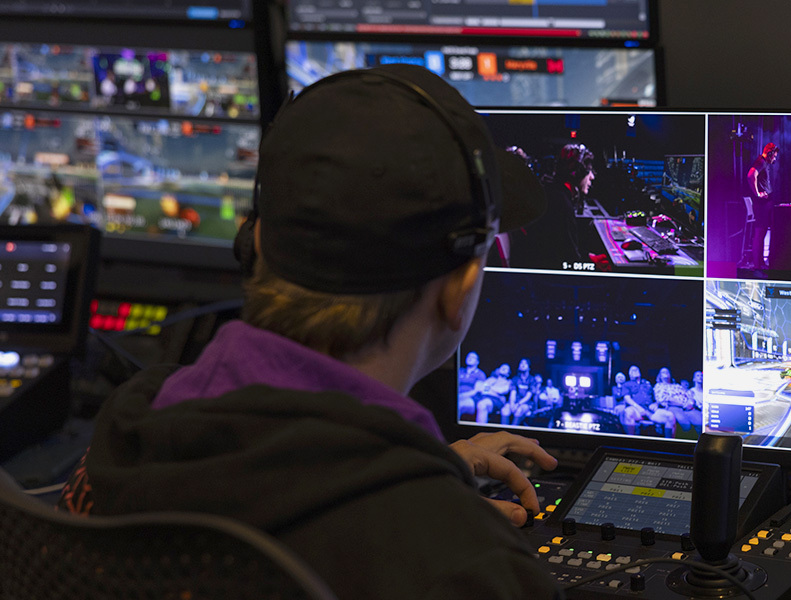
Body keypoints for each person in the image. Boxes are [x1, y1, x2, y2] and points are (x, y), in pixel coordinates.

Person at [57, 65, 561, 599]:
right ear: (458, 289)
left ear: (256, 244)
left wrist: (419, 477)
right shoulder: (467, 568)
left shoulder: (130, 426)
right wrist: (422, 501)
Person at [519, 143, 602, 269]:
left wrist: (589, 257)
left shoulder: (552, 193)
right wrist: (594, 265)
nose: (592, 176)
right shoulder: (562, 205)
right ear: (578, 172)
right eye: (589, 170)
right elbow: (569, 261)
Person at [618, 365, 676, 438]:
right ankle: (631, 443)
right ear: (630, 375)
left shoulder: (647, 383)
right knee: (628, 412)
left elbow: (656, 397)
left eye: (637, 369)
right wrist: (638, 407)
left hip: (650, 411)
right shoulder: (627, 384)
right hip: (636, 410)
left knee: (670, 416)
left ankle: (669, 444)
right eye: (633, 370)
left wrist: (656, 404)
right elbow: (627, 398)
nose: (635, 370)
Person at [746, 142, 779, 269]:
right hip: (761, 204)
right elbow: (750, 175)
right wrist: (758, 194)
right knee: (759, 233)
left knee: (762, 233)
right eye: (774, 156)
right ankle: (757, 265)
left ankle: (759, 263)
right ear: (769, 153)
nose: (775, 159)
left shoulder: (763, 163)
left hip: (764, 204)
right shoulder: (761, 162)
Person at [457, 350, 486, 419]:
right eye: (468, 356)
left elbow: (476, 391)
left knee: (458, 405)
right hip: (458, 396)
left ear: (477, 362)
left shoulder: (480, 374)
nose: (469, 358)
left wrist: (461, 396)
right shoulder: (460, 371)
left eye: (473, 357)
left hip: (471, 399)